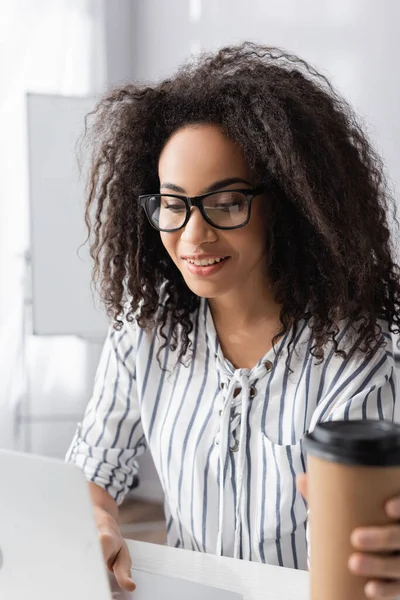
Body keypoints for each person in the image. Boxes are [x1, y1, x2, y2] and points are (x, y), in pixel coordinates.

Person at [66, 43, 400, 598]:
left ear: (288, 203)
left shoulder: (355, 363)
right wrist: (100, 525)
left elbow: (355, 571)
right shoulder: (144, 335)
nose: (193, 236)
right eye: (173, 204)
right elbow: (92, 474)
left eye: (224, 202)